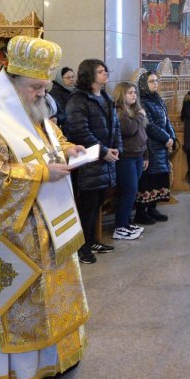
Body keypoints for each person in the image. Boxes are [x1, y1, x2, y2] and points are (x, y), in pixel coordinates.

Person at [0, 36, 89, 379]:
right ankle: (18, 374)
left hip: (48, 227)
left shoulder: (34, 112)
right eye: (35, 87)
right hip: (10, 236)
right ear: (10, 83)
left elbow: (48, 138)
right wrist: (41, 174)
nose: (41, 95)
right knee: (20, 302)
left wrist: (68, 148)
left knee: (50, 297)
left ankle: (55, 359)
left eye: (45, 87)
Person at [65, 59, 122, 263]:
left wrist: (116, 149)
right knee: (87, 205)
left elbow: (114, 126)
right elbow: (80, 131)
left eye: (105, 70)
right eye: (100, 71)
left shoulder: (105, 96)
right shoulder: (78, 100)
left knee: (97, 202)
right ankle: (81, 247)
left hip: (104, 159)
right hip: (87, 161)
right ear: (89, 75)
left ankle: (92, 241)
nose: (105, 73)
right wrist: (104, 151)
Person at [134, 68, 174, 225]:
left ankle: (153, 208)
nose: (155, 83)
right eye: (151, 81)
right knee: (148, 179)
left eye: (156, 80)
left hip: (162, 144)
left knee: (158, 178)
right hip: (150, 144)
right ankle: (141, 212)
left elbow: (166, 120)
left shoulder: (157, 99)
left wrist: (172, 137)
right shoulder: (142, 101)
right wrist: (166, 138)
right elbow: (148, 125)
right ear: (144, 84)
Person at [112, 81, 147, 242]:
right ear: (121, 95)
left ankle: (126, 222)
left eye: (135, 92)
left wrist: (146, 155)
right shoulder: (119, 111)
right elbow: (129, 129)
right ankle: (120, 227)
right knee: (129, 190)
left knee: (132, 190)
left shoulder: (133, 110)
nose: (134, 95)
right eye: (130, 92)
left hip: (138, 154)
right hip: (126, 157)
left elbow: (142, 134)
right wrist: (141, 115)